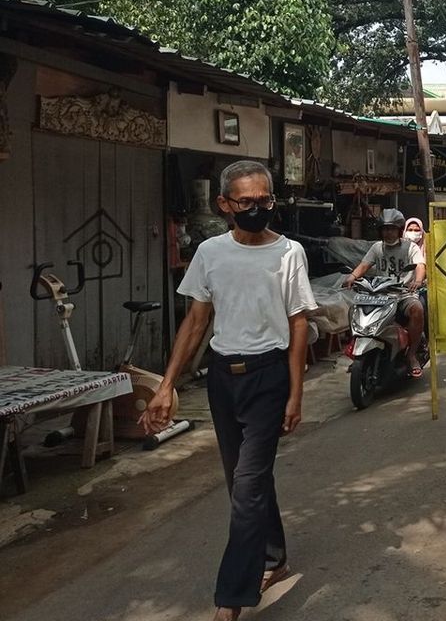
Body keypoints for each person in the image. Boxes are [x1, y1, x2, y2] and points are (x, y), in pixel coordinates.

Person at [141, 160, 316, 621]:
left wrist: (296, 393)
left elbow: (299, 324)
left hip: (269, 377)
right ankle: (275, 556)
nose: (257, 209)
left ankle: (231, 597)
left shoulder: (289, 253)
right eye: (247, 202)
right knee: (245, 480)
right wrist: (165, 386)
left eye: (265, 201)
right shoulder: (210, 253)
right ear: (225, 205)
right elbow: (196, 321)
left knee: (248, 487)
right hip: (222, 379)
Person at [343, 208, 426, 376]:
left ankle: (411, 355)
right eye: (385, 229)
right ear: (380, 231)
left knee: (417, 309)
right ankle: (359, 353)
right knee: (354, 308)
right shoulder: (377, 248)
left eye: (392, 229)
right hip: (380, 295)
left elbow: (420, 266)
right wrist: (351, 277)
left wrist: (417, 281)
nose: (388, 233)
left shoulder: (410, 248)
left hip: (403, 294)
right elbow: (364, 265)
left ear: (399, 230)